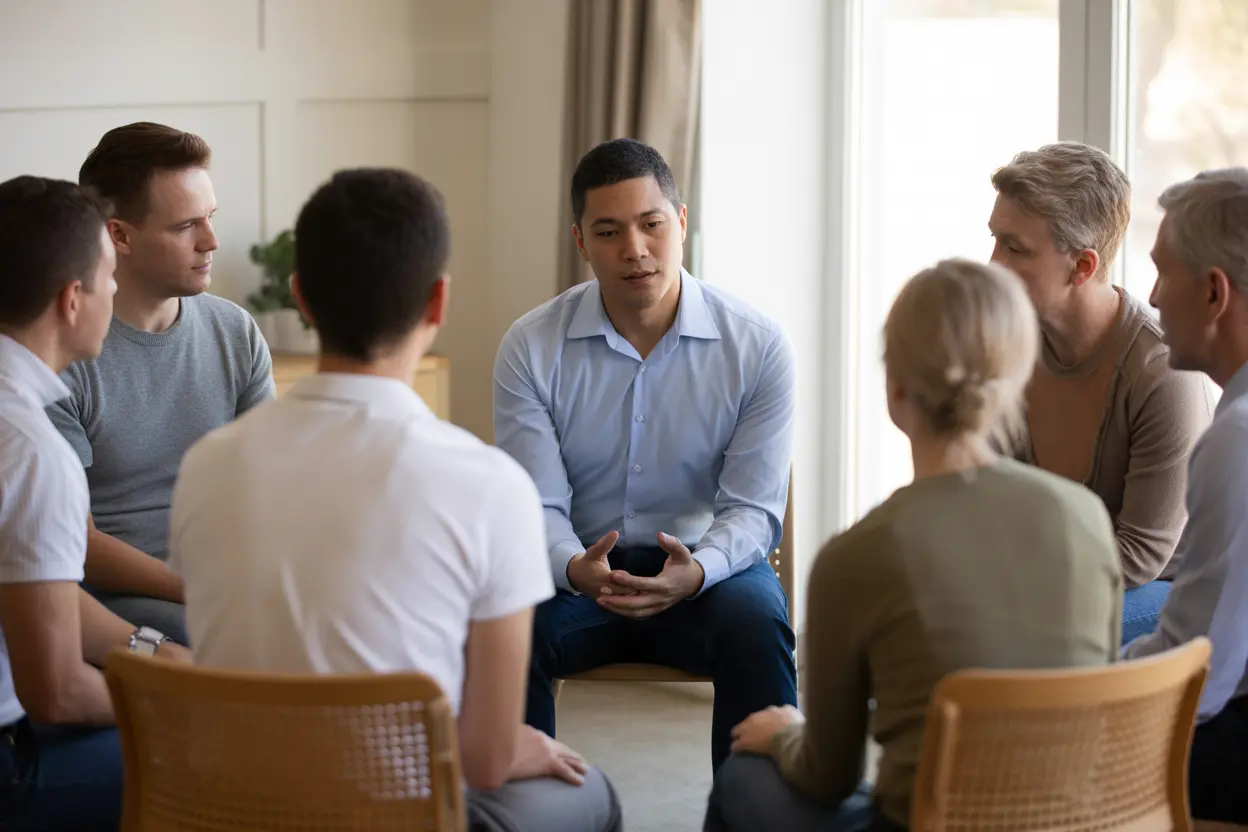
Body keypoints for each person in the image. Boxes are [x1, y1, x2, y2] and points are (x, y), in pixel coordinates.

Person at [169, 168, 621, 832]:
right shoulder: (491, 487)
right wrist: (510, 744)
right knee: (592, 790)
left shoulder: (205, 466)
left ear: (301, 299)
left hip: (233, 808)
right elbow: (489, 759)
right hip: (397, 815)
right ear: (437, 304)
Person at [704, 258, 1122, 832]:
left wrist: (783, 738)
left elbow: (829, 775)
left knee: (744, 776)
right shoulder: (1086, 516)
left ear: (895, 388)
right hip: (1080, 822)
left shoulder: (857, 556)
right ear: (1017, 376)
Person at [493, 137, 797, 772]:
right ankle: (524, 813)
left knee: (758, 627)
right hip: (576, 572)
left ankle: (754, 818)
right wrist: (575, 568)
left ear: (681, 223)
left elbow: (752, 509)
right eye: (608, 231)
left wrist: (699, 569)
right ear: (581, 241)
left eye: (651, 224)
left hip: (706, 569)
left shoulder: (758, 347)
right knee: (505, 628)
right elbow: (536, 505)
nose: (634, 249)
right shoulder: (530, 347)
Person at [0, 175, 192, 831]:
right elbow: (55, 692)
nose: (116, 291)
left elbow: (38, 595)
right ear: (72, 298)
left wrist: (152, 654)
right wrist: (181, 698)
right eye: (108, 276)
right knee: (216, 752)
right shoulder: (31, 451)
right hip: (13, 761)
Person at [46, 122, 275, 646]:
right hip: (122, 597)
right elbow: (69, 541)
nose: (211, 242)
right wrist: (202, 588)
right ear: (119, 235)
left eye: (210, 219)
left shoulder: (235, 331)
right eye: (186, 227)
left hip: (229, 581)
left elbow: (270, 485)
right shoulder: (62, 356)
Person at [988, 142, 1213, 643]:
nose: (992, 263)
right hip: (1053, 576)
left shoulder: (1161, 371)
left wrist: (1017, 589)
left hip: (1160, 589)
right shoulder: (1011, 344)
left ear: (1083, 267)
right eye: (995, 240)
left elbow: (1140, 554)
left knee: (1025, 629)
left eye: (1015, 248)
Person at [1124, 167, 1248, 824]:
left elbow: (1200, 677)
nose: (1150, 294)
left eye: (1162, 269)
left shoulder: (1238, 440)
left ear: (1212, 292)